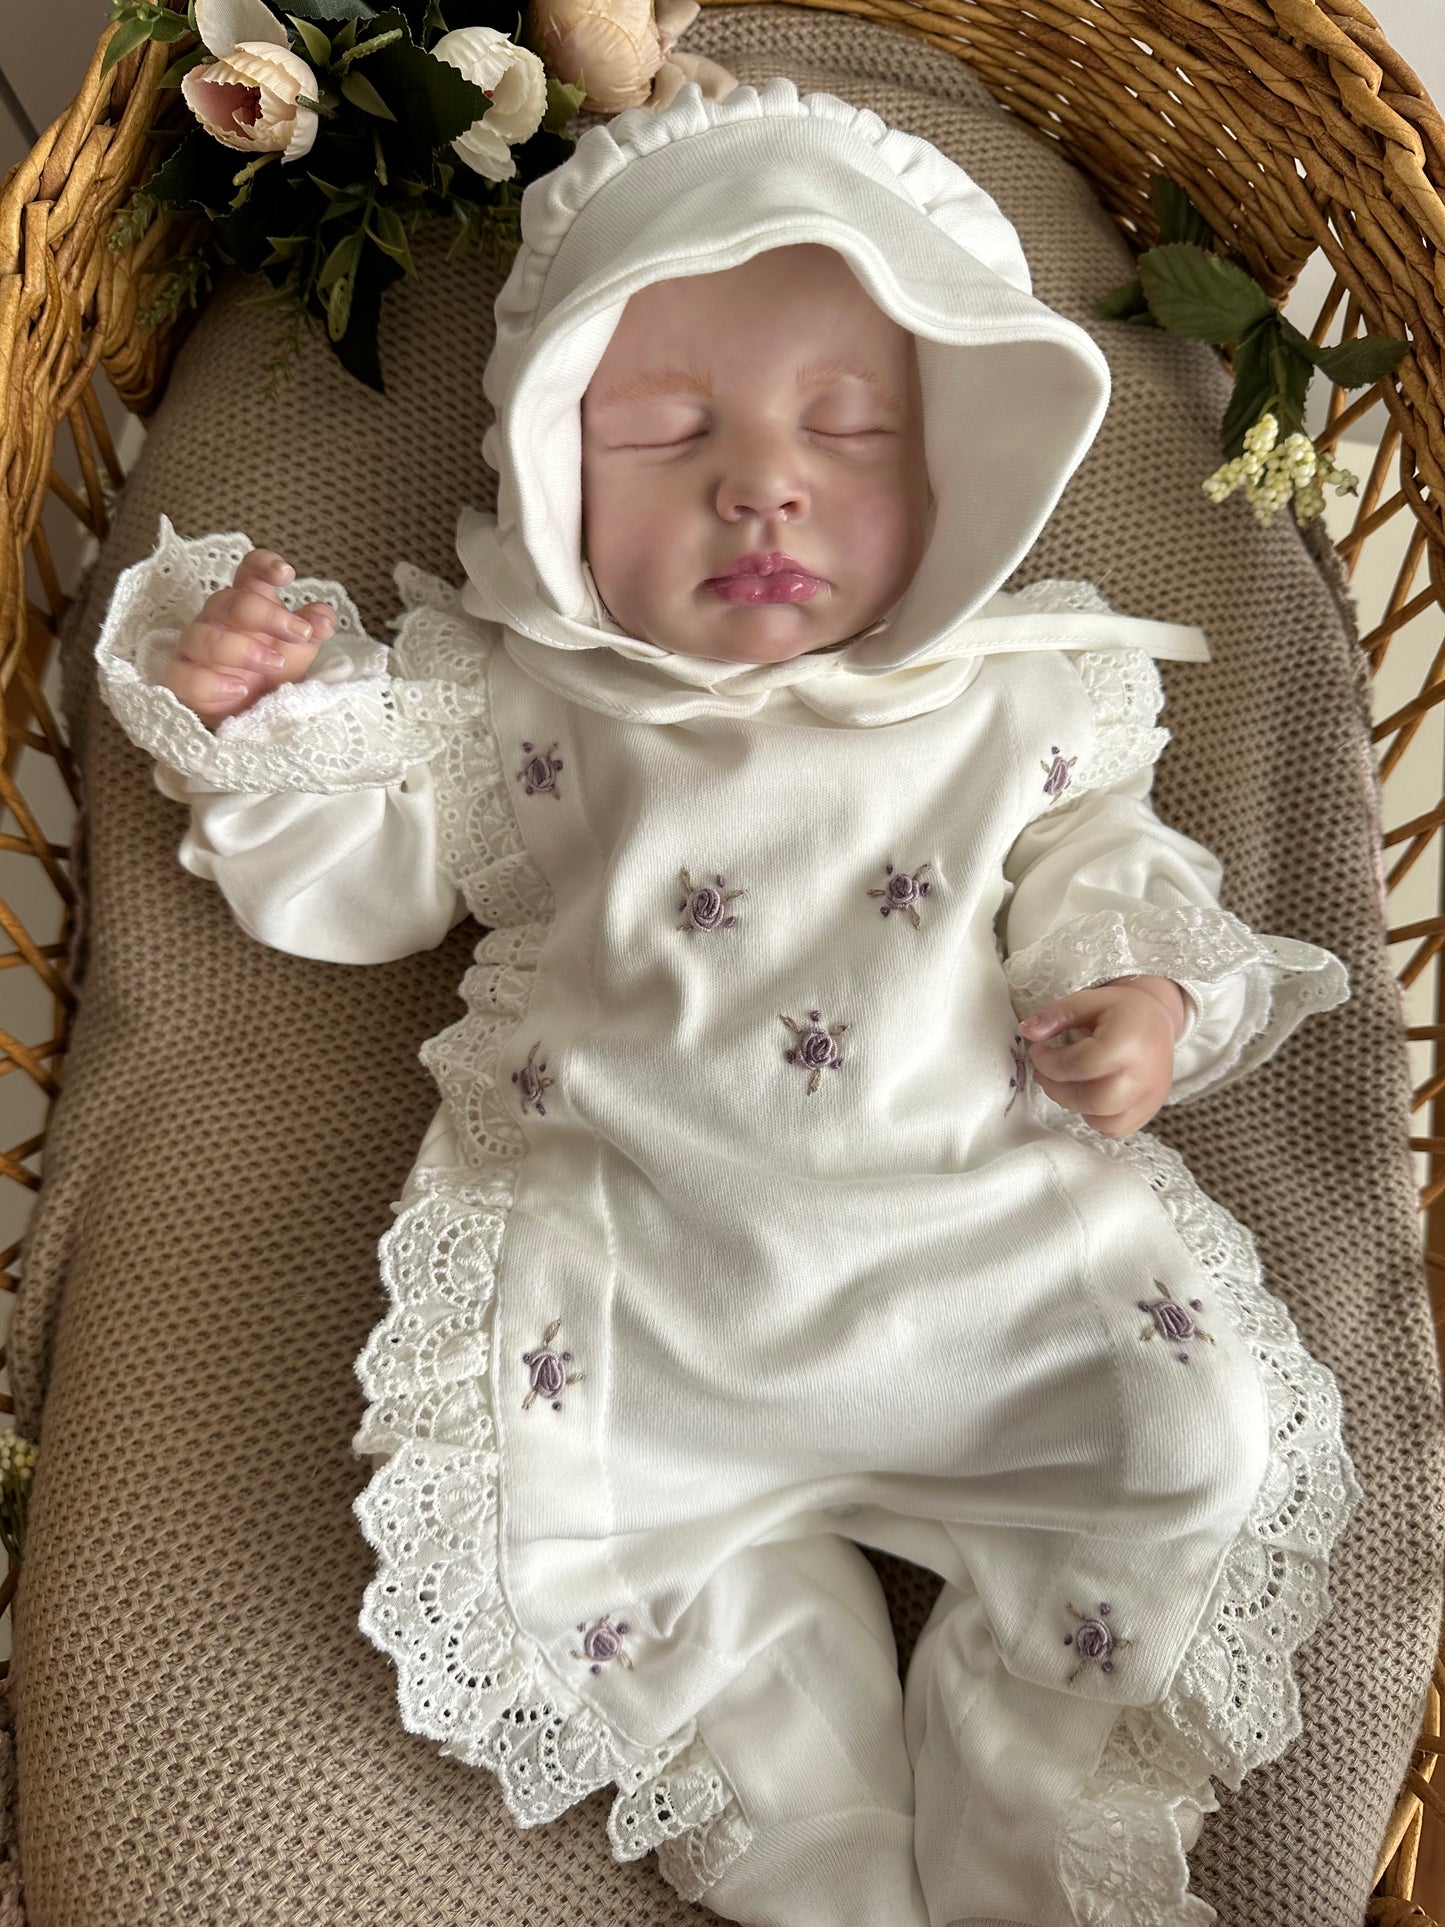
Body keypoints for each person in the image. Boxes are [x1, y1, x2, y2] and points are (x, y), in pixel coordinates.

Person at [94, 76, 1361, 1927]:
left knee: (1181, 1452)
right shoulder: (530, 700)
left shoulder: (1026, 695)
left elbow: (1111, 862)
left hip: (986, 1270)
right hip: (654, 1314)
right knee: (616, 1558)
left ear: (958, 470)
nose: (761, 480)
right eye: (666, 429)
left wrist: (1135, 988)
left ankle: (1037, 1835)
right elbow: (353, 884)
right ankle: (821, 1867)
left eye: (845, 429)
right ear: (549, 469)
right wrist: (260, 710)